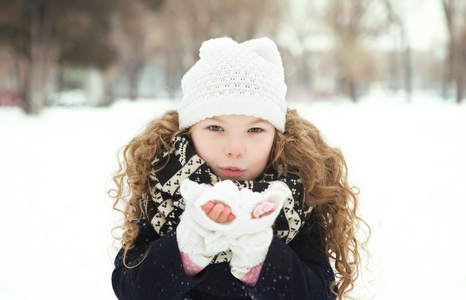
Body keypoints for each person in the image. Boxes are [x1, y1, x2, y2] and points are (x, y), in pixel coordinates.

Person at [110, 37, 369, 300]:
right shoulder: (162, 181)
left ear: (276, 136)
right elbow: (129, 288)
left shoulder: (298, 194)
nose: (235, 148)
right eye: (215, 128)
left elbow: (319, 294)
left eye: (255, 129)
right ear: (190, 131)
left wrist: (260, 254)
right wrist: (188, 246)